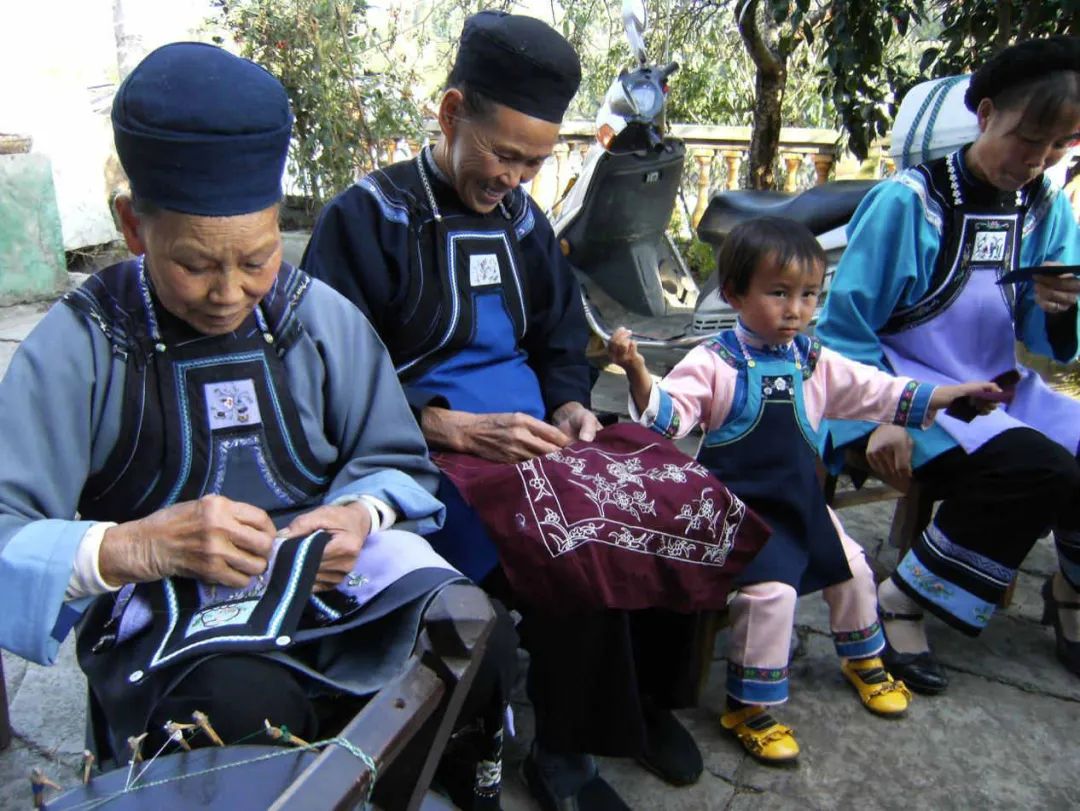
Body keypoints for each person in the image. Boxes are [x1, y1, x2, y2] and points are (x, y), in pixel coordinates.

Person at [0, 42, 516, 809]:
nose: (230, 292)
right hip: (171, 613)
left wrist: (358, 512)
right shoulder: (82, 345)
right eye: (196, 264)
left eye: (258, 256)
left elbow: (396, 461)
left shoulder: (315, 316)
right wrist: (135, 544)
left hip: (331, 583)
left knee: (479, 632)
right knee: (238, 708)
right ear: (132, 228)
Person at [302, 11, 703, 809]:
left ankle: (640, 701)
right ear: (452, 114)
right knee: (569, 538)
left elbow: (559, 336)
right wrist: (443, 424)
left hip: (536, 436)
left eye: (534, 161)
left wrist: (570, 403)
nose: (515, 179)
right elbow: (322, 375)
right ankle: (565, 753)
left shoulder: (523, 222)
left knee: (675, 500)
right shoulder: (366, 219)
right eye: (503, 153)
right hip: (423, 452)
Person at [607, 217, 1000, 763]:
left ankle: (864, 657)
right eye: (778, 293)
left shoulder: (812, 360)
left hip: (801, 504)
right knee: (773, 596)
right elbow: (670, 417)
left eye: (809, 294)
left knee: (856, 569)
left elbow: (877, 390)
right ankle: (750, 705)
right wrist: (637, 374)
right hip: (739, 514)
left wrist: (949, 395)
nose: (795, 309)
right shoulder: (714, 362)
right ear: (734, 294)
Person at [815, 36, 1080, 693]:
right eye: (1029, 139)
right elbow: (843, 330)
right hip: (909, 390)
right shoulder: (909, 201)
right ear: (986, 113)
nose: (1039, 160)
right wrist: (886, 414)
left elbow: (1046, 341)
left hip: (998, 388)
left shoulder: (1045, 207)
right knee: (1037, 467)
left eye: (1059, 146)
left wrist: (1060, 306)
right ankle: (902, 596)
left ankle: (1070, 587)